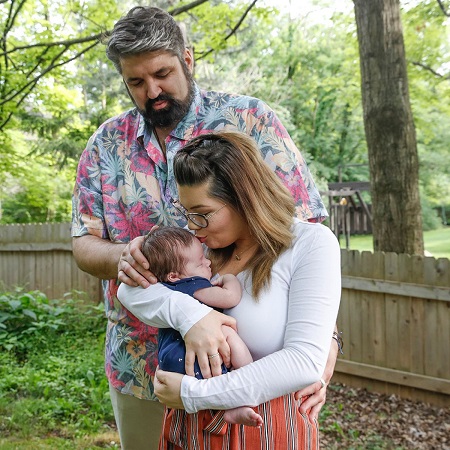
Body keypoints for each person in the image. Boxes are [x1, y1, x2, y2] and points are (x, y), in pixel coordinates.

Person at [71, 6, 338, 449]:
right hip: (143, 365)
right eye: (136, 82)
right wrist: (139, 263)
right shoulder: (105, 146)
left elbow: (302, 237)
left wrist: (322, 340)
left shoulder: (251, 122)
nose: (152, 91)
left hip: (249, 367)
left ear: (187, 59)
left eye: (162, 73)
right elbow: (84, 244)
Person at [118, 130, 341, 449]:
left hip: (265, 428)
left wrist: (192, 395)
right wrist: (191, 316)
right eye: (187, 212)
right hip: (187, 432)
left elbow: (303, 362)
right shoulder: (193, 247)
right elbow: (130, 291)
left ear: (244, 197)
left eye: (204, 214)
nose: (193, 225)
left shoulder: (310, 244)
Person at [141, 226, 263, 428]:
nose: (208, 262)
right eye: (200, 263)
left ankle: (230, 408)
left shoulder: (164, 288)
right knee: (227, 332)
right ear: (174, 275)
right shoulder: (192, 287)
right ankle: (246, 377)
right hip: (189, 357)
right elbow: (230, 298)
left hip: (169, 360)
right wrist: (229, 279)